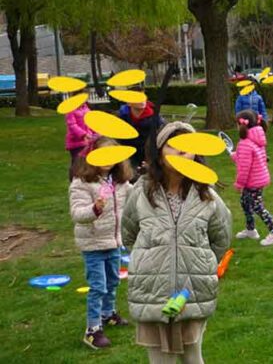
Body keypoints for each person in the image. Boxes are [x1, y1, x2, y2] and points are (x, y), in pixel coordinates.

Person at [121, 121, 232, 364]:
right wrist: (152, 258)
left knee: (193, 357)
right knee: (161, 360)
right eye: (173, 146)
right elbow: (128, 234)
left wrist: (197, 261)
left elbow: (220, 239)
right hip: (152, 290)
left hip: (191, 290)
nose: (182, 151)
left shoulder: (207, 195)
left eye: (188, 146)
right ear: (159, 155)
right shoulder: (141, 193)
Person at [69, 137, 133, 350]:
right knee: (98, 286)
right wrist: (95, 209)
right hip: (93, 244)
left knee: (113, 281)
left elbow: (136, 197)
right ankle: (92, 330)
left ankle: (108, 314)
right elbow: (77, 214)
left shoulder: (120, 182)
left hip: (114, 242)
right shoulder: (82, 183)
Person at [231, 110, 273, 246]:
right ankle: (250, 229)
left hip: (252, 182)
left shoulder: (244, 143)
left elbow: (244, 168)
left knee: (258, 207)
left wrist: (239, 184)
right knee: (245, 202)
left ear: (241, 125)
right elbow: (252, 158)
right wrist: (236, 156)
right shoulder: (256, 139)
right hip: (259, 179)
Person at [118, 97, 164, 178]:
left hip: (148, 156)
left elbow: (161, 138)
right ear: (129, 103)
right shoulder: (121, 117)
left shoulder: (156, 118)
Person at [65, 101, 96, 181]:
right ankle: (74, 181)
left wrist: (96, 133)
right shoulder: (71, 109)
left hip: (87, 141)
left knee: (86, 163)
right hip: (76, 142)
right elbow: (72, 125)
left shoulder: (86, 108)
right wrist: (83, 134)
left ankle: (85, 180)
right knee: (76, 163)